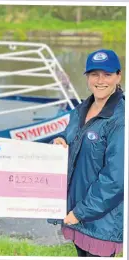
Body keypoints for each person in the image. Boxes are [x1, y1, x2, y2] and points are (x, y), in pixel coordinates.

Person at [52, 49, 124, 257]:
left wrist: (80, 212)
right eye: (94, 74)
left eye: (107, 74)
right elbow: (69, 137)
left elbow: (116, 179)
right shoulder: (80, 109)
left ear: (118, 76)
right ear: (87, 77)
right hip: (77, 217)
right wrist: (61, 141)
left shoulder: (121, 120)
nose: (100, 81)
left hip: (101, 223)